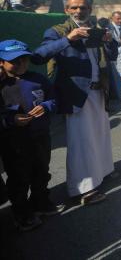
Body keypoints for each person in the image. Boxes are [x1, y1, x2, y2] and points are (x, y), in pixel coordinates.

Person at [33, 0, 117, 205]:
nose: (79, 11)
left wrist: (109, 41)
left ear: (90, 9)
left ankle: (102, 173)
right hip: (77, 95)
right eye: (74, 8)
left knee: (100, 136)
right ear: (66, 11)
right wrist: (68, 39)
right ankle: (83, 189)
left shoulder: (95, 29)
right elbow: (39, 55)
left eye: (83, 8)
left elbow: (112, 55)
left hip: (99, 91)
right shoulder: (57, 31)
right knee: (81, 142)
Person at [0, 40, 63, 232]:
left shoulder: (38, 79)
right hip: (13, 141)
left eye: (24, 60)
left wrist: (45, 107)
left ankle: (40, 202)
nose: (21, 65)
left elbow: (53, 100)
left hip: (40, 135)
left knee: (41, 170)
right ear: (1, 62)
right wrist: (11, 120)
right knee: (19, 177)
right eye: (14, 61)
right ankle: (22, 214)